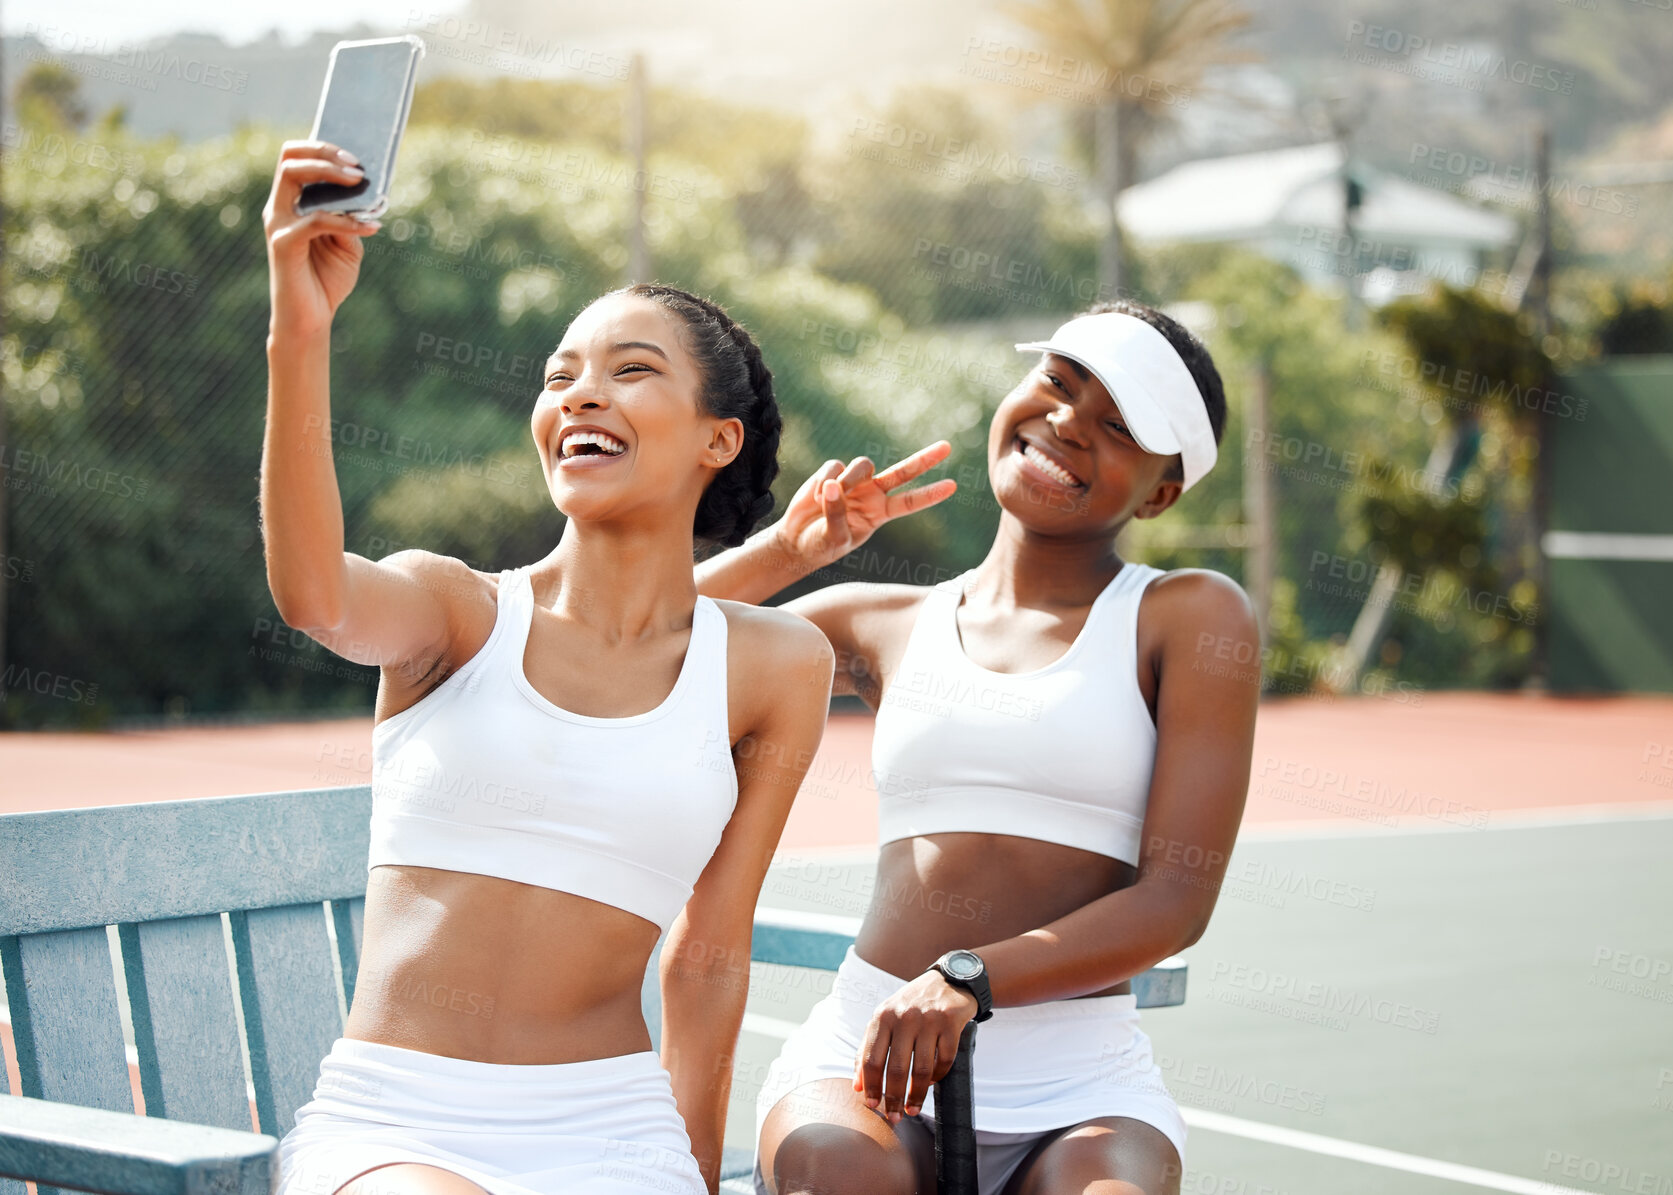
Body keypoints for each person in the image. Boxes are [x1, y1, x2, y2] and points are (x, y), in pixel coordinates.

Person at [259, 138, 834, 1195]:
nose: (579, 395)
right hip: (396, 1126)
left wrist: (695, 1173)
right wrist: (301, 327)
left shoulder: (776, 666)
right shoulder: (453, 611)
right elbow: (313, 594)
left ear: (717, 440)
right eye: (558, 376)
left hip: (611, 1128)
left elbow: (708, 954)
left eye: (629, 372)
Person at [695, 300, 1262, 1195]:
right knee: (836, 1172)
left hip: (1082, 1087)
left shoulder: (1189, 615)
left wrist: (968, 979)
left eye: (1117, 426)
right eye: (1057, 382)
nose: (1069, 422)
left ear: (1160, 491)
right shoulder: (872, 621)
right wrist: (788, 551)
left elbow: (1176, 898)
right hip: (867, 1059)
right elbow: (634, 654)